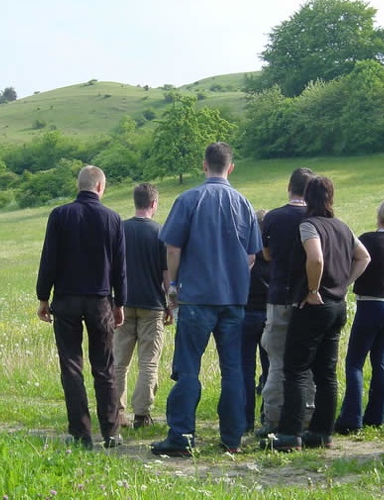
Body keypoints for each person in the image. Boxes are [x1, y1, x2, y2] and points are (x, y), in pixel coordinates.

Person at [150, 142, 262, 457]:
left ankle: (182, 436)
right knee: (233, 370)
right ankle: (232, 438)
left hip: (196, 298)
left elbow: (172, 248)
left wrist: (172, 287)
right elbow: (252, 255)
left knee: (188, 368)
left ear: (204, 165)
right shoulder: (243, 203)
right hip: (233, 300)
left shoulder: (189, 199)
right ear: (231, 167)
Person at [262, 175, 370, 451]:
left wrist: (313, 289)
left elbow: (316, 257)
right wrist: (344, 283)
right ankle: (322, 432)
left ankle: (290, 434)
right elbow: (364, 256)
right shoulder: (343, 227)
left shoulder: (309, 225)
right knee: (326, 373)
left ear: (308, 197)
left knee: (296, 369)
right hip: (338, 305)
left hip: (314, 305)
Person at [35, 165, 126, 450]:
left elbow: (48, 257)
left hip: (66, 299)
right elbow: (120, 266)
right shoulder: (113, 218)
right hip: (100, 300)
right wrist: (120, 302)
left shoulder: (60, 215)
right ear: (100, 187)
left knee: (71, 366)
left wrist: (43, 297)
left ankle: (81, 434)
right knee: (104, 366)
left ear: (80, 186)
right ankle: (111, 432)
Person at [334, 198, 384, 434]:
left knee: (354, 362)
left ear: (380, 216)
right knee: (380, 361)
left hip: (371, 304)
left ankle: (351, 418)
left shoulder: (367, 240)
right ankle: (376, 416)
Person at [257, 167, 316, 438]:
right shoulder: (315, 218)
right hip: (307, 297)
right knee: (306, 362)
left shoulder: (273, 217)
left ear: (288, 187)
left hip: (278, 294)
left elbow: (266, 255)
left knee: (277, 359)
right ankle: (306, 414)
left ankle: (273, 416)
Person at [113, 183, 173, 429]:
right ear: (154, 204)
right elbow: (166, 273)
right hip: (152, 304)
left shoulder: (120, 230)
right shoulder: (161, 233)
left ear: (135, 201)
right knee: (148, 361)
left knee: (119, 362)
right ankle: (142, 414)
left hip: (123, 303)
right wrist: (170, 302)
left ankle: (116, 412)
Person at [241, 209, 271, 433]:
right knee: (270, 369)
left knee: (245, 369)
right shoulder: (275, 253)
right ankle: (268, 416)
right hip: (270, 314)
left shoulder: (246, 251)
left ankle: (246, 420)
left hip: (247, 312)